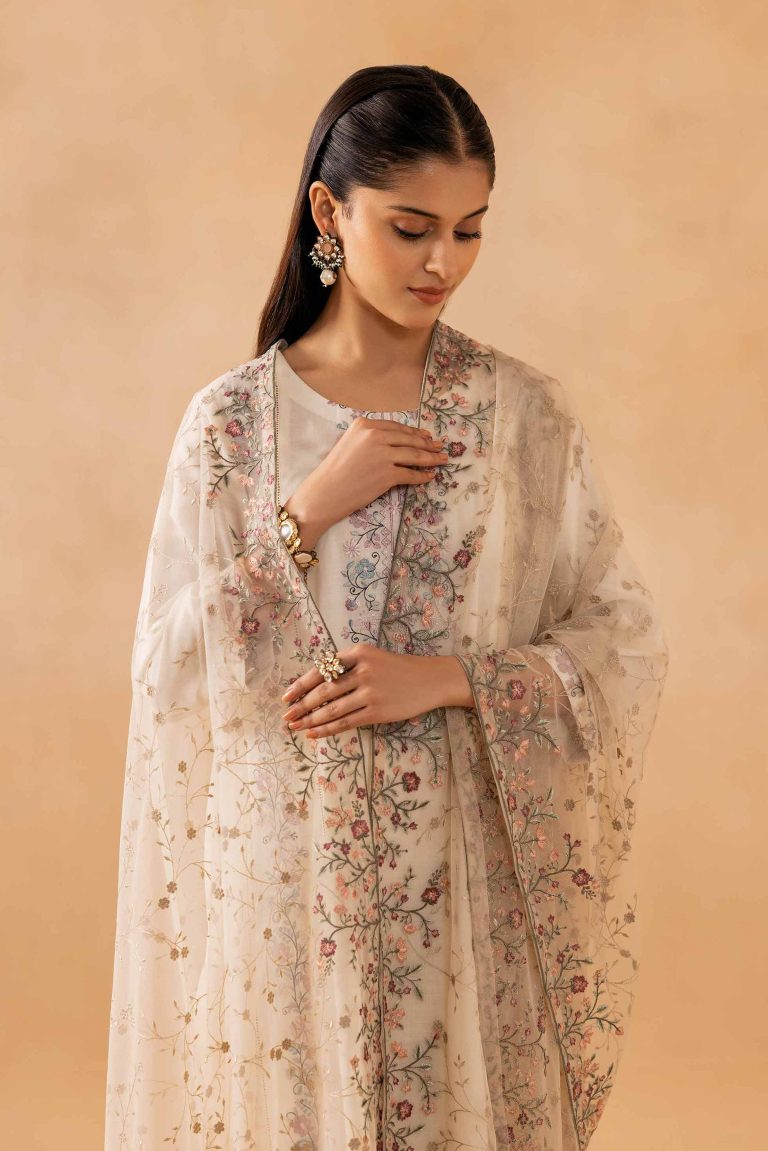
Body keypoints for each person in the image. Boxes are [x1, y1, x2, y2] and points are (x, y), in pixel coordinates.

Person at [104, 64, 669, 1151]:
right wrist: (306, 511)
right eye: (412, 228)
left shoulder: (520, 418)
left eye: (469, 231)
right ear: (330, 211)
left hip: (462, 898)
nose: (442, 263)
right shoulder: (233, 427)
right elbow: (167, 667)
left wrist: (451, 679)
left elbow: (624, 639)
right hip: (288, 893)